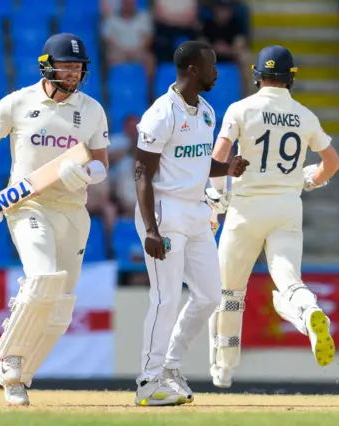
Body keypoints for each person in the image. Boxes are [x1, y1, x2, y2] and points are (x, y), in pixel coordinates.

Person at [0, 33, 110, 406]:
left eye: (78, 67)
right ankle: (9, 358)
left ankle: (19, 380)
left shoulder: (91, 109)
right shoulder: (19, 101)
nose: (73, 73)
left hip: (73, 212)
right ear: (47, 65)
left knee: (61, 308)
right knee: (43, 279)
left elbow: (101, 162)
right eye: (66, 66)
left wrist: (89, 174)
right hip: (28, 205)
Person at [205, 45, 339, 389]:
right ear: (290, 79)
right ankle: (308, 309)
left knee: (230, 293)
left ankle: (224, 368)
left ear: (257, 75)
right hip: (286, 207)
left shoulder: (241, 108)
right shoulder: (304, 115)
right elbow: (333, 163)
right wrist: (310, 178)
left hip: (246, 208)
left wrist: (216, 198)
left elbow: (219, 156)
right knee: (288, 279)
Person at [133, 40, 249, 406]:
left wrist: (226, 168)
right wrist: (151, 228)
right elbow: (141, 174)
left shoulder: (208, 111)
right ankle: (148, 383)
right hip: (165, 214)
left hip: (198, 212)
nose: (217, 71)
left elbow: (197, 163)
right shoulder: (160, 113)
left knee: (210, 296)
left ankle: (170, 367)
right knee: (166, 298)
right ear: (194, 70)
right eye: (212, 65)